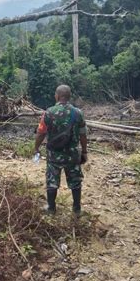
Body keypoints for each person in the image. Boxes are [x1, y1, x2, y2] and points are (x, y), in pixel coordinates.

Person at [34, 85, 88, 216]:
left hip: (54, 155)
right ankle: (76, 210)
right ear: (69, 96)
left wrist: (36, 147)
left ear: (57, 96)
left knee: (52, 181)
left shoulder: (49, 112)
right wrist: (84, 151)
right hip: (72, 154)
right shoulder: (78, 113)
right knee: (75, 181)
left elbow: (41, 133)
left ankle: (51, 208)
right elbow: (83, 134)